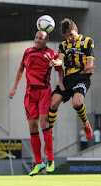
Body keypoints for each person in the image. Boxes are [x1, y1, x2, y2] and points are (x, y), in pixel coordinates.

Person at [9, 31, 64, 176]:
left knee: (44, 122)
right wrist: (14, 87)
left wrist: (60, 80)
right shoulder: (27, 52)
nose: (38, 40)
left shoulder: (51, 53)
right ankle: (38, 163)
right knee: (32, 126)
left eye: (41, 38)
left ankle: (50, 160)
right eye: (37, 37)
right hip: (30, 94)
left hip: (44, 91)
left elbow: (60, 68)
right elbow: (21, 69)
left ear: (46, 41)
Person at [48, 18, 95, 141]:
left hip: (82, 76)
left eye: (70, 35)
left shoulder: (87, 41)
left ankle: (86, 126)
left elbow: (90, 61)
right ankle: (49, 133)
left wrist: (89, 68)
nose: (69, 38)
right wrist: (55, 62)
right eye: (66, 36)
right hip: (68, 78)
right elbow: (60, 60)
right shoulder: (63, 46)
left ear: (76, 30)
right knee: (53, 102)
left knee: (77, 103)